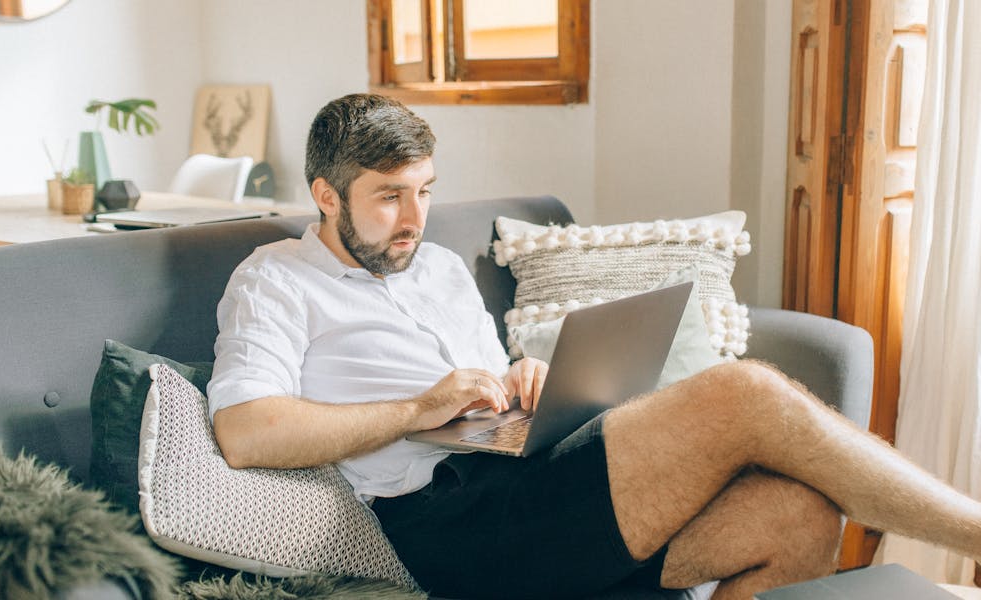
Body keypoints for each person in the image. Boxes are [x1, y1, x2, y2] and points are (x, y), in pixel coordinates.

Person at [207, 93, 981, 600]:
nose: (415, 217)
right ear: (326, 196)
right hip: (450, 523)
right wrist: (416, 408)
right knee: (746, 394)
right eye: (389, 197)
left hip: (527, 475)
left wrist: (520, 376)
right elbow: (246, 434)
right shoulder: (275, 282)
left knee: (796, 514)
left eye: (426, 190)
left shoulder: (437, 267)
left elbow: (486, 381)